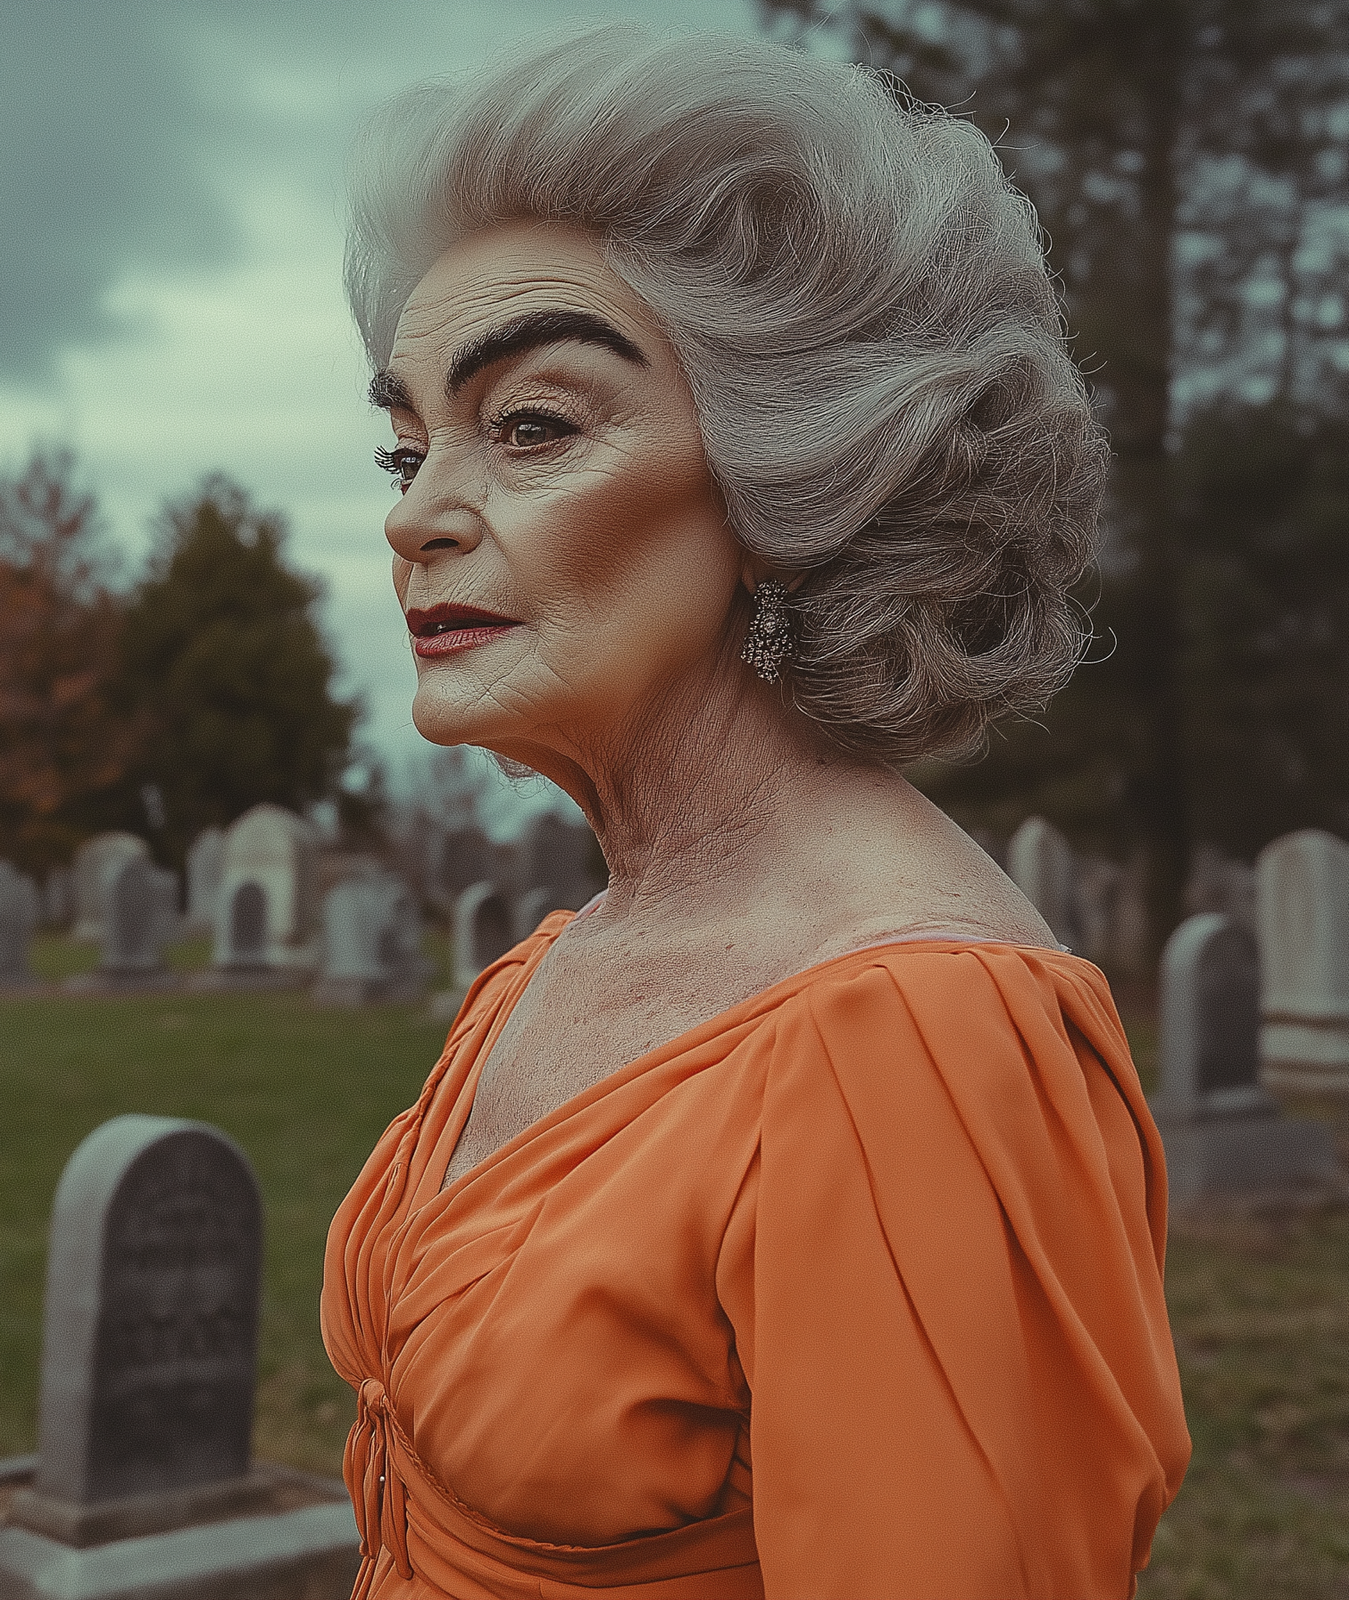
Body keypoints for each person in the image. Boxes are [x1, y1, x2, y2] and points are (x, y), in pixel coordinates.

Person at [321, 26, 1190, 1600]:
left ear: (801, 477)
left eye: (531, 426)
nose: (414, 511)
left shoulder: (918, 1040)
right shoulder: (554, 962)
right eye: (405, 439)